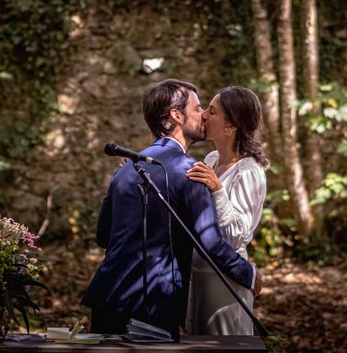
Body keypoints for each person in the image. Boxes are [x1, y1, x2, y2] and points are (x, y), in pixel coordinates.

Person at [80, 79, 261, 340]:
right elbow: (210, 243)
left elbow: (102, 236)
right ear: (176, 116)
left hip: (107, 296)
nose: (203, 115)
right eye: (198, 108)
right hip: (154, 301)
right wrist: (250, 274)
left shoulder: (127, 167)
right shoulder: (190, 170)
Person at [185, 86, 268, 335]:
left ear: (231, 124)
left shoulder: (249, 172)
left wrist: (217, 189)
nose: (204, 116)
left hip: (226, 278)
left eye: (213, 111)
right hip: (199, 274)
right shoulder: (211, 159)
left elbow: (235, 235)